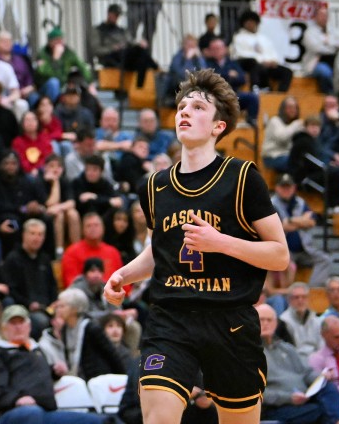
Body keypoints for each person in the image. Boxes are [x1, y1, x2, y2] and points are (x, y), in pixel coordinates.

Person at [103, 68, 290, 422]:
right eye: (181, 107)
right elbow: (159, 253)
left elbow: (279, 255)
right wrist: (124, 275)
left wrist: (220, 242)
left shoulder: (242, 177)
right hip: (171, 318)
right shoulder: (155, 186)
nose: (185, 112)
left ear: (219, 126)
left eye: (199, 108)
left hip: (230, 320)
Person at [0, 304, 103, 424]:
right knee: (31, 414)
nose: (18, 327)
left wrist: (54, 372)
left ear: (28, 326)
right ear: (4, 328)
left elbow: (31, 375)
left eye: (21, 322)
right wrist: (16, 399)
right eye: (13, 323)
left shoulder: (36, 350)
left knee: (99, 420)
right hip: (14, 413)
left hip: (45, 412)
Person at [256, 302, 339, 424]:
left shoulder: (287, 348)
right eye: (261, 320)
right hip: (277, 407)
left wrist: (320, 377)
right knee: (319, 410)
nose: (265, 323)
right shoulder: (250, 353)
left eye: (269, 320)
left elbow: (306, 373)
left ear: (276, 323)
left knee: (328, 387)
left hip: (304, 397)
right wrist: (288, 398)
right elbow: (257, 393)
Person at [39, 287, 125, 381]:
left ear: (74, 309)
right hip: (78, 380)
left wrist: (125, 379)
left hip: (99, 380)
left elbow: (111, 354)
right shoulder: (64, 330)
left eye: (62, 306)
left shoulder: (91, 328)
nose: (58, 310)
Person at [271, 175, 333, 289]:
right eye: (283, 187)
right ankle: (288, 297)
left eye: (288, 187)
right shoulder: (271, 203)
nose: (286, 190)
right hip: (284, 251)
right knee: (288, 265)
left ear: (294, 187)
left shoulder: (300, 202)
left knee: (326, 260)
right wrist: (301, 221)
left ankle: (311, 290)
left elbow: (312, 222)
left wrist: (290, 220)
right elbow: (279, 227)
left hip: (305, 249)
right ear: (277, 188)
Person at [2, 218, 57, 337]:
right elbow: (10, 290)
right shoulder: (13, 259)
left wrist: (54, 302)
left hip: (48, 307)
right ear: (24, 235)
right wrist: (28, 304)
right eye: (32, 233)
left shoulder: (45, 259)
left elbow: (52, 285)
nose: (36, 238)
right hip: (24, 309)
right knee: (41, 322)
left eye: (40, 234)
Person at [231, 12, 292, 92]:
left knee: (287, 72)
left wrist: (273, 61)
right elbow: (241, 53)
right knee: (254, 64)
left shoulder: (264, 38)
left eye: (253, 22)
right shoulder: (239, 37)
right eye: (248, 22)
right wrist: (261, 61)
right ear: (244, 24)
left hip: (267, 65)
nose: (251, 24)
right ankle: (256, 87)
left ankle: (281, 93)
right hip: (249, 64)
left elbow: (272, 52)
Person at [278, 282, 323, 360]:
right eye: (296, 297)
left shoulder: (317, 320)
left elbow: (322, 346)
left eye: (303, 297)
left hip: (317, 360)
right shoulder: (283, 322)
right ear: (289, 300)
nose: (300, 300)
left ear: (308, 299)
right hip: (296, 361)